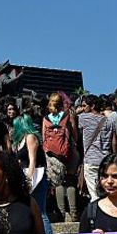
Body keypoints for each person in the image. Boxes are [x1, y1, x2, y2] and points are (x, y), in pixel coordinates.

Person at [12, 114, 54, 234]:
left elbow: (32, 161)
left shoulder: (31, 137)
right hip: (24, 174)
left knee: (40, 209)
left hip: (36, 176)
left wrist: (29, 179)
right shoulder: (20, 141)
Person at [42, 93, 79, 222]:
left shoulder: (46, 118)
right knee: (70, 180)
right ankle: (74, 213)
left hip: (52, 154)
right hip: (68, 152)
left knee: (57, 183)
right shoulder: (67, 115)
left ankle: (62, 213)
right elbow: (74, 132)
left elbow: (44, 138)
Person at [78, 95, 114, 201]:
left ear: (92, 106)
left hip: (91, 159)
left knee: (94, 195)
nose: (83, 108)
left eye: (84, 106)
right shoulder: (109, 121)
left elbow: (71, 117)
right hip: (106, 160)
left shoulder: (83, 118)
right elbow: (114, 142)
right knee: (106, 191)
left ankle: (97, 215)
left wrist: (78, 110)